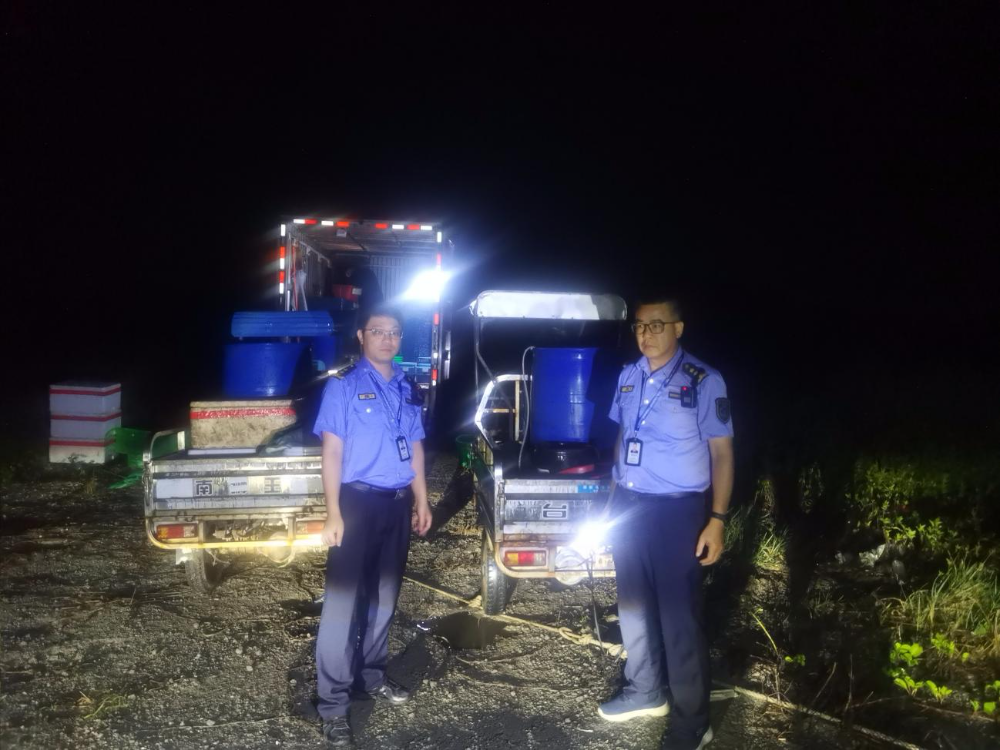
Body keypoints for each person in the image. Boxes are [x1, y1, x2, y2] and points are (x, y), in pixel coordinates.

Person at [598, 296, 734, 750]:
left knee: (679, 617)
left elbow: (722, 453)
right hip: (630, 505)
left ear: (678, 328)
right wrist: (611, 501)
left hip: (678, 511)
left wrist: (717, 519)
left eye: (657, 325)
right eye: (640, 325)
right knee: (633, 606)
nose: (646, 334)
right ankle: (645, 691)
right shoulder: (628, 376)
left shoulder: (704, 380)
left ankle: (693, 722)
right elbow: (623, 437)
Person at [312, 306, 433, 748]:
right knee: (343, 605)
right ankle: (333, 704)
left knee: (384, 598)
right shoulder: (343, 386)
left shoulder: (406, 386)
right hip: (357, 503)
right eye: (378, 331)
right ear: (362, 336)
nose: (387, 338)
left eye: (395, 332)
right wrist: (333, 512)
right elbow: (332, 452)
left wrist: (422, 499)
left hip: (397, 505)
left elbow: (415, 447)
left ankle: (372, 676)